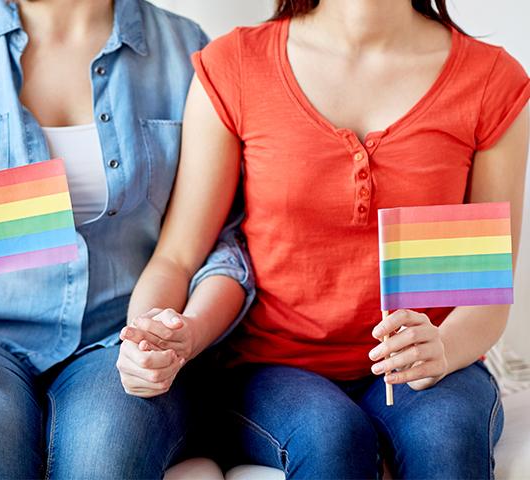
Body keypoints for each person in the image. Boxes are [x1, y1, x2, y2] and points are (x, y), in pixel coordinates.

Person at [124, 0, 530, 478]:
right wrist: (145, 338)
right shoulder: (235, 65)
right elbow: (177, 256)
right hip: (272, 366)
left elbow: (487, 295)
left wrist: (441, 347)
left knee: (447, 440)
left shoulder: (489, 80)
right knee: (332, 438)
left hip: (433, 358)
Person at [0, 0, 254, 478]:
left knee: (105, 452)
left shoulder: (185, 50)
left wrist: (176, 336)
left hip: (117, 343)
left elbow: (221, 247)